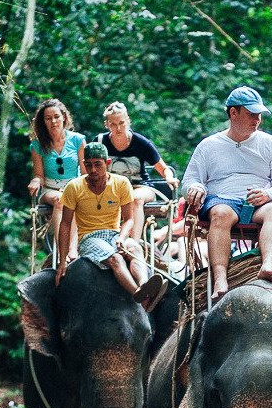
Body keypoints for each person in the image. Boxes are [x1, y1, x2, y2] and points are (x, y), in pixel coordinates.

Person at [182, 86, 272, 301]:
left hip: (258, 202)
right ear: (233, 112)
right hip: (222, 200)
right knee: (220, 213)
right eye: (251, 114)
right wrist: (196, 187)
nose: (257, 119)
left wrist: (268, 194)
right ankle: (220, 277)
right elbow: (189, 181)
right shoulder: (209, 145)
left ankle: (268, 265)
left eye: (259, 115)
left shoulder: (269, 143)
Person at [57, 142, 166, 310]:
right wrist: (63, 260)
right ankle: (139, 295)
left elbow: (129, 219)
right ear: (84, 165)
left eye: (97, 164)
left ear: (107, 163)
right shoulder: (74, 187)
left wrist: (122, 238)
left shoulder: (121, 183)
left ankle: (145, 285)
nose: (93, 170)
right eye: (88, 165)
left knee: (134, 247)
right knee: (115, 258)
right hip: (88, 238)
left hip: (114, 234)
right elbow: (65, 224)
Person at [96, 102, 181, 246]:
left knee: (135, 198)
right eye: (113, 124)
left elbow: (163, 168)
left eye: (122, 123)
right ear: (107, 124)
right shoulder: (100, 142)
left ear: (128, 120)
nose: (118, 128)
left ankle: (133, 244)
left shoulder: (141, 142)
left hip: (139, 187)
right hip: (112, 189)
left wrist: (169, 177)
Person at [27, 98, 87, 261]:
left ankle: (73, 250)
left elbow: (85, 172)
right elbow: (39, 175)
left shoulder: (78, 140)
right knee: (61, 200)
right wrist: (35, 181)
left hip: (73, 186)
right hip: (50, 189)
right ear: (43, 122)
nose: (53, 121)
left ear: (64, 118)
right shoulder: (37, 145)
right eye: (48, 118)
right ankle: (61, 252)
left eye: (56, 116)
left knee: (70, 199)